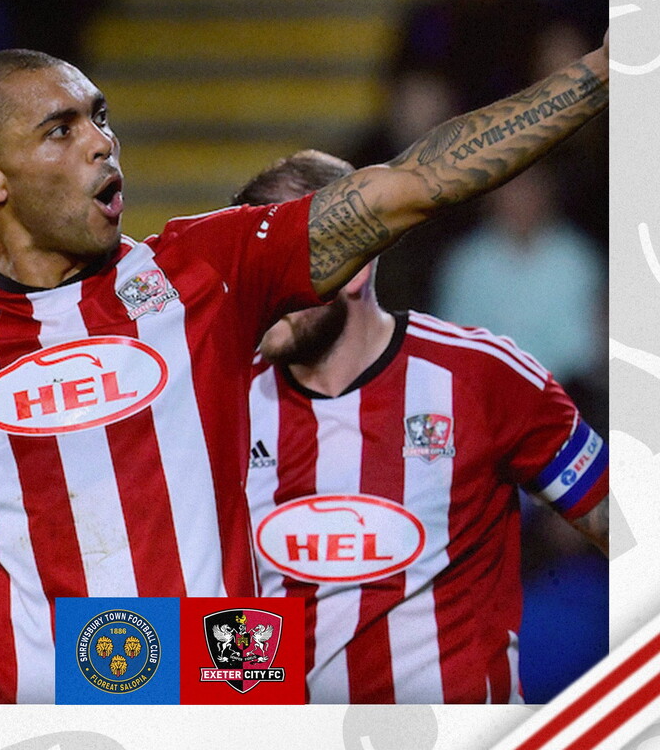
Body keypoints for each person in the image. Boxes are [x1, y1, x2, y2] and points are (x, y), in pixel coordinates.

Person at [0, 38, 609, 703]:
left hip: (210, 690)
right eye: (63, 128)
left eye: (101, 116)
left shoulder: (205, 270)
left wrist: (608, 69)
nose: (102, 143)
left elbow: (417, 181)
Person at [237, 150, 607, 705]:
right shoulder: (222, 403)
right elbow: (230, 638)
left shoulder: (483, 377)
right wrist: (83, 664)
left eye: (277, 261)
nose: (251, 288)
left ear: (355, 266)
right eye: (246, 261)